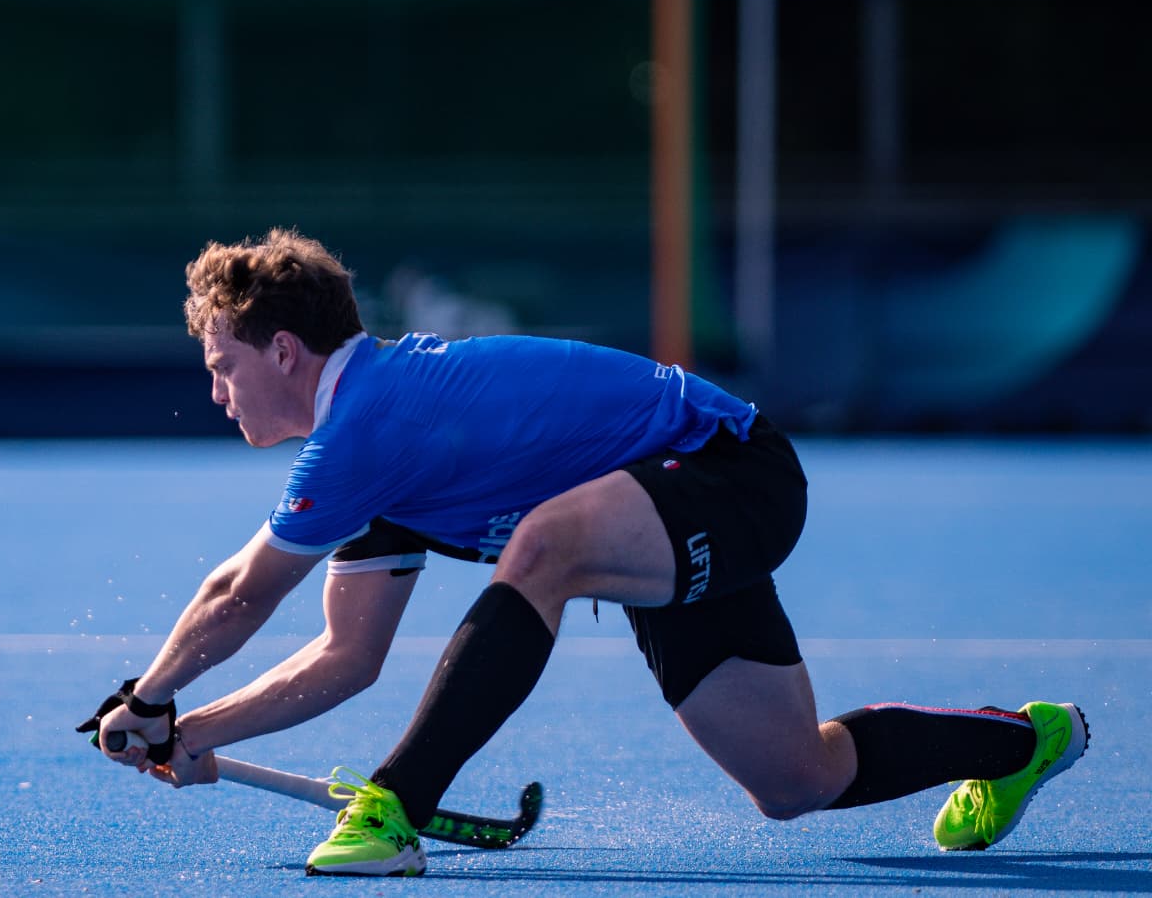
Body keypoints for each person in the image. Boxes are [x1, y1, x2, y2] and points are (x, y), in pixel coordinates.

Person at [91, 227, 1088, 877]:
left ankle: (398, 806)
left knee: (545, 542)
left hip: (729, 473)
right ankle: (1019, 739)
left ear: (283, 351)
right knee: (795, 779)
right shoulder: (371, 470)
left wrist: (151, 691)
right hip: (649, 517)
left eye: (222, 364)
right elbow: (343, 658)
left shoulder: (367, 418)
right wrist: (200, 730)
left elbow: (235, 595)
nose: (217, 390)